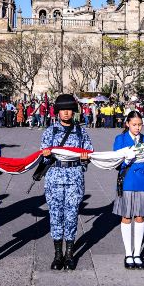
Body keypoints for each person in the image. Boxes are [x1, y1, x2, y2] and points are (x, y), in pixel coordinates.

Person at [40, 94, 93, 270]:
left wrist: (85, 158)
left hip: (74, 178)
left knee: (71, 216)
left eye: (69, 109)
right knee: (55, 216)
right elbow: (43, 159)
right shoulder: (50, 131)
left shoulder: (81, 131)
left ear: (74, 111)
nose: (66, 113)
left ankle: (69, 255)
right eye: (63, 110)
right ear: (57, 111)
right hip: (54, 178)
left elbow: (89, 154)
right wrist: (46, 156)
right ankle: (57, 255)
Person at [113, 111, 144, 270]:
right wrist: (125, 160)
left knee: (140, 217)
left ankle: (137, 253)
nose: (137, 127)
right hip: (127, 182)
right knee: (126, 217)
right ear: (127, 124)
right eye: (134, 124)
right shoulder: (120, 139)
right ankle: (128, 253)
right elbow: (116, 163)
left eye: (139, 124)